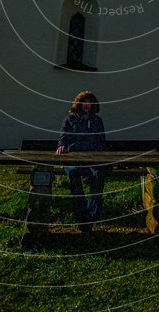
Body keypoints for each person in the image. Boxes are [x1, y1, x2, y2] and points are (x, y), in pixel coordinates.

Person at [55, 90, 106, 232]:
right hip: (73, 158)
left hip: (93, 158)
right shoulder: (70, 119)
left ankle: (90, 217)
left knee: (99, 176)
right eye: (84, 102)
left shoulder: (97, 121)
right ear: (79, 103)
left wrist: (95, 154)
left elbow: (102, 141)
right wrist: (62, 147)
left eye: (90, 103)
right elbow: (63, 138)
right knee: (74, 175)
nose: (87, 106)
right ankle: (82, 216)